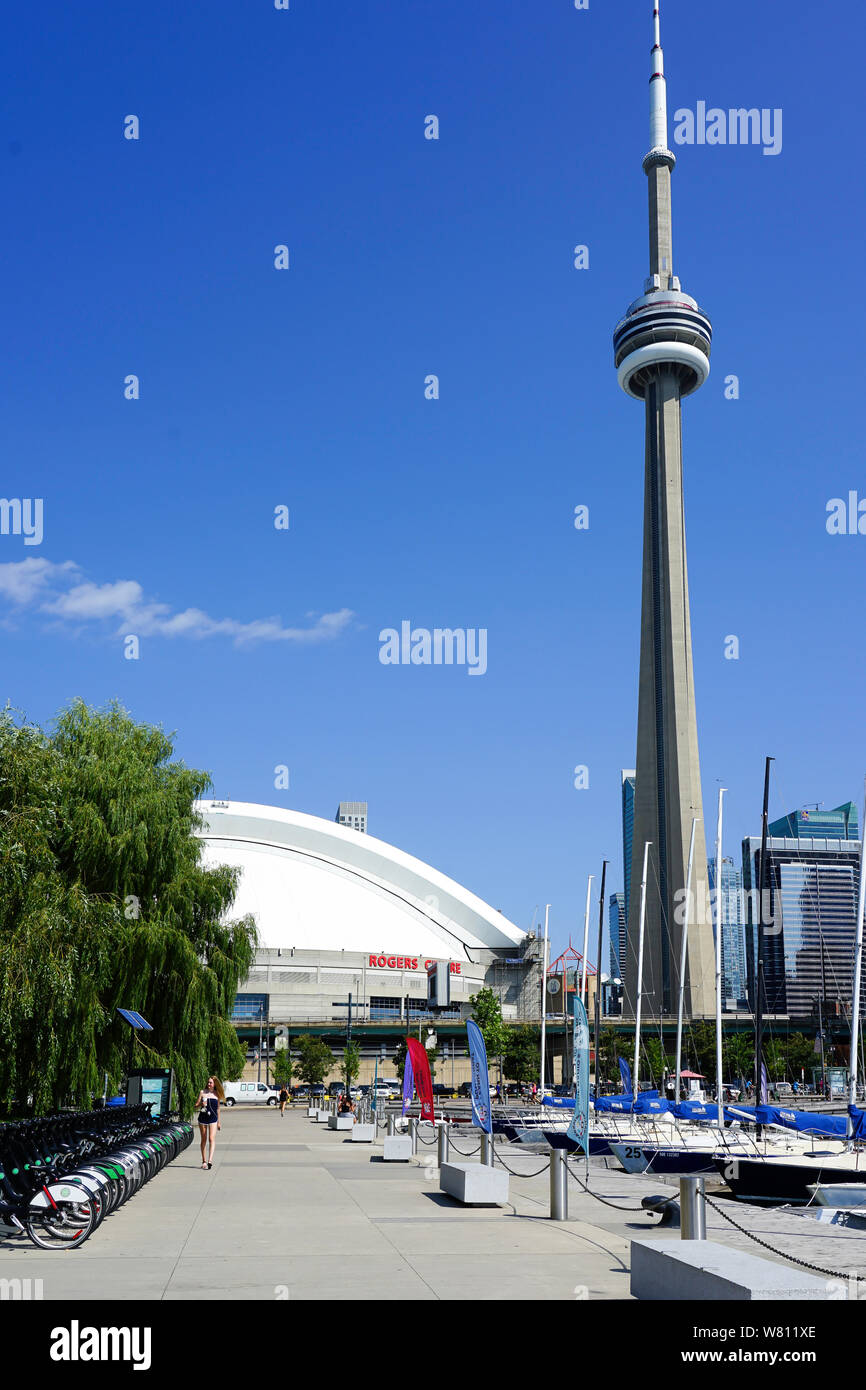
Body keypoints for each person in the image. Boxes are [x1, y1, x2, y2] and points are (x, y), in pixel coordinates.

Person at [195, 1076, 222, 1169]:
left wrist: (219, 1122)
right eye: (208, 1082)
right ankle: (204, 1161)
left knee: (211, 1139)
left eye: (211, 1082)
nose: (209, 1084)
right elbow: (195, 1105)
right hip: (203, 1118)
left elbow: (218, 1108)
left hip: (213, 1118)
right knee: (204, 1139)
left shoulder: (217, 1094)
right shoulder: (202, 1092)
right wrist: (201, 1104)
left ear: (214, 1084)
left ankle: (210, 1160)